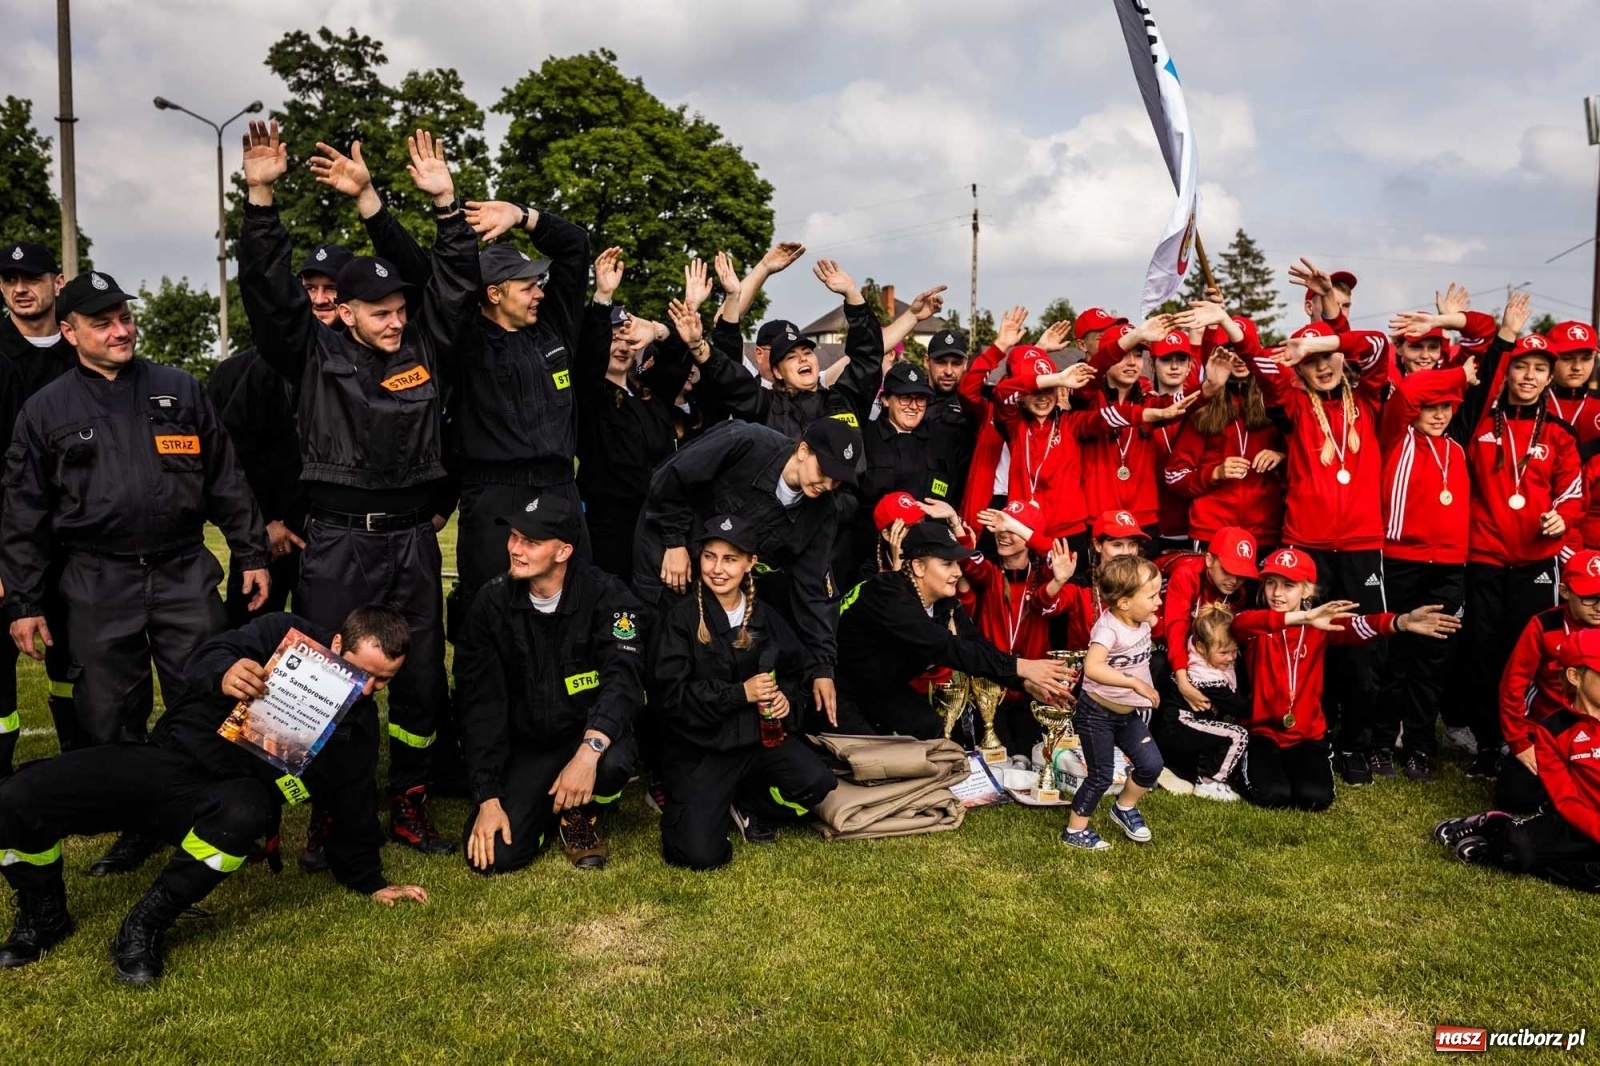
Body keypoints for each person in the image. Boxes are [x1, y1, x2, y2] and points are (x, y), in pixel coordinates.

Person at [238, 121, 476, 855]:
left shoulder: (425, 342)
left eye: (402, 310)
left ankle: (408, 797)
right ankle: (305, 811)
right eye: (381, 313)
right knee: (316, 676)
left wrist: (435, 206)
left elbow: (454, 281)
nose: (397, 322)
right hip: (338, 541)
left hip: (410, 541)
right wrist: (260, 196)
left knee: (421, 682)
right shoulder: (310, 355)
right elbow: (269, 296)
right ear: (341, 312)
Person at [0, 606, 427, 983]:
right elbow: (205, 657)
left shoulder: (359, 728)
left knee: (245, 812)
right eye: (363, 672)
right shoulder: (283, 633)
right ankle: (44, 916)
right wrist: (226, 672)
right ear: (337, 642)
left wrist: (370, 881)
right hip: (164, 763)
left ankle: (146, 924)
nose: (368, 688)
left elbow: (352, 805)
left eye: (383, 680)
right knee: (18, 796)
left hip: (225, 800)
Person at [0, 269, 267, 757]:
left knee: (208, 692)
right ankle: (134, 817)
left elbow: (227, 479)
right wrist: (25, 603)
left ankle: (206, 799)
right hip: (98, 579)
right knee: (109, 710)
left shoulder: (181, 389)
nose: (120, 331)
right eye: (102, 324)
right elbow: (23, 515)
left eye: (124, 318)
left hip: (183, 572)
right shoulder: (44, 410)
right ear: (69, 332)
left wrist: (252, 554)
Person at [455, 494, 646, 873]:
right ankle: (553, 811)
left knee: (611, 768)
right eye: (513, 537)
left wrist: (589, 751)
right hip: (529, 744)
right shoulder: (490, 604)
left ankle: (580, 812)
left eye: (531, 542)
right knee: (495, 857)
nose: (515, 549)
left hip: (592, 736)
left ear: (563, 552)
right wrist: (488, 796)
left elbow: (624, 680)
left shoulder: (608, 597)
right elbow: (479, 705)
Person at [1240, 318, 1394, 785]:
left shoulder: (1366, 399)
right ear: (1298, 370)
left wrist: (1328, 341)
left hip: (1363, 546)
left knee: (1364, 649)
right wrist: (1233, 325)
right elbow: (1262, 367)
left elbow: (1379, 347)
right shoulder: (1295, 405)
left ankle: (1356, 744)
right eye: (1310, 361)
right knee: (1307, 646)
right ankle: (1316, 735)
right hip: (1306, 546)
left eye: (1328, 356)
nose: (1322, 367)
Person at [633, 416, 863, 727]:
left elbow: (813, 588)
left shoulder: (823, 511)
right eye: (823, 472)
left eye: (837, 481)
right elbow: (669, 477)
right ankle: (646, 737)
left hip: (722, 577)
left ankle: (699, 740)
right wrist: (674, 543)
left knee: (706, 654)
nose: (827, 486)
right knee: (661, 643)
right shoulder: (745, 442)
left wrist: (823, 666)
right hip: (671, 548)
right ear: (803, 450)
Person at [654, 515, 838, 868]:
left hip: (758, 741)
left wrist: (786, 698)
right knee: (700, 855)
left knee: (818, 783)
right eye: (710, 556)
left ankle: (746, 802)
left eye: (730, 559)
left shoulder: (765, 616)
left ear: (751, 563)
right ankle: (711, 802)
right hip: (703, 748)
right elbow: (671, 699)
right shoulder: (680, 618)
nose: (717, 569)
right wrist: (741, 694)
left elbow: (795, 671)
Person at [1454, 304, 1583, 781]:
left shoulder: (1559, 435)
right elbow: (1483, 383)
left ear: (1550, 377)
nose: (1528, 376)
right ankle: (1489, 744)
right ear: (1508, 374)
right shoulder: (1481, 425)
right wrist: (1505, 336)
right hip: (1483, 559)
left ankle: (1526, 738)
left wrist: (1561, 517)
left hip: (1537, 564)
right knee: (1483, 651)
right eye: (1521, 367)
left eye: (1539, 369)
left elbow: (1572, 491)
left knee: (1528, 657)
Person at [1230, 548, 1459, 811]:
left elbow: (1361, 626)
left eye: (1288, 585)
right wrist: (1305, 617)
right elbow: (1241, 625)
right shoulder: (1256, 623)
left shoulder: (1320, 628)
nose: (1277, 593)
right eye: (1270, 583)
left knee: (1315, 798)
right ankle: (1251, 765)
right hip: (1262, 732)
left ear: (1307, 591)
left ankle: (1296, 765)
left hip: (1306, 735)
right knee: (1273, 795)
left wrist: (1401, 622)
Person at [208, 242, 352, 629]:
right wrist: (263, 524)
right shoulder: (241, 371)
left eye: (331, 287)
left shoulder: (368, 364)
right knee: (249, 634)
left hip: (337, 533)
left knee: (331, 641)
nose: (320, 299)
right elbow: (227, 458)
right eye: (310, 287)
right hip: (265, 537)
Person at [832, 520, 1074, 737]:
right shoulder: (888, 594)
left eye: (958, 563)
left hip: (883, 688)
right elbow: (944, 647)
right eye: (947, 563)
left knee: (928, 727)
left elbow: (976, 644)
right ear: (918, 567)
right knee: (872, 757)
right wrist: (1024, 666)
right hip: (839, 689)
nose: (958, 572)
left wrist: (1025, 684)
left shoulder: (944, 602)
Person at [1435, 626, 1600, 894]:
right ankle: (1494, 826)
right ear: (1575, 676)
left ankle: (1557, 867)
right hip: (1573, 821)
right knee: (1518, 851)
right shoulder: (1552, 730)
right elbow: (1566, 799)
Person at [0, 240, 84, 762]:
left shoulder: (82, 350)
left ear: (57, 282)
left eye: (30, 277)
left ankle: (81, 757)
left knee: (74, 662)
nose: (19, 288)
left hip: (75, 540)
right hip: (6, 536)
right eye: (9, 279)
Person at [1374, 363, 1474, 782]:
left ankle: (1418, 747)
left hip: (1450, 567)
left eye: (1447, 406)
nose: (1438, 413)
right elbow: (1412, 388)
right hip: (1401, 562)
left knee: (1434, 660)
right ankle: (1380, 743)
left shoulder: (1458, 448)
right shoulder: (1395, 436)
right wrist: (1457, 375)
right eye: (1430, 406)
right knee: (1394, 657)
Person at [576, 248, 696, 578]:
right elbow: (588, 349)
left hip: (657, 520)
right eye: (614, 338)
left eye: (628, 338)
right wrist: (602, 296)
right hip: (609, 525)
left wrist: (658, 330)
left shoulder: (648, 390)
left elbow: (677, 360)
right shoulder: (588, 393)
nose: (622, 346)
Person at [698, 257, 884, 439]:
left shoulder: (844, 400)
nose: (803, 358)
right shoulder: (765, 406)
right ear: (777, 372)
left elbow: (868, 357)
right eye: (791, 356)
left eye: (807, 352)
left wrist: (852, 294)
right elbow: (729, 372)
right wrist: (733, 298)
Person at [1061, 555, 1166, 851]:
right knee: (1101, 775)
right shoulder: (1108, 630)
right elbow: (1092, 668)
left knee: (1151, 764)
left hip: (1127, 714)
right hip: (1096, 714)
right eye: (1152, 596)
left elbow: (1151, 620)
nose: (1158, 602)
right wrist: (1134, 682)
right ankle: (1075, 830)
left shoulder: (1139, 617)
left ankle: (1124, 807)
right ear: (1124, 603)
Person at [1166, 309, 1285, 550]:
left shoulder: (1275, 402)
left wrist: (1281, 457)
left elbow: (1306, 461)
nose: (1239, 357)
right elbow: (1174, 475)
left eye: (1243, 348)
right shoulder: (1203, 405)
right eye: (1230, 349)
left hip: (1265, 530)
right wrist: (1215, 473)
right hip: (1212, 530)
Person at [1494, 550, 1600, 814]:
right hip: (1550, 733)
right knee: (1514, 795)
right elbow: (1512, 686)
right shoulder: (1543, 625)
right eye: (1589, 598)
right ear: (1564, 591)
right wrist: (1519, 743)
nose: (1599, 606)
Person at [1149, 603, 1249, 801]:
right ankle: (1212, 782)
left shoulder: (1198, 653)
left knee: (1186, 774)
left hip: (1183, 725)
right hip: (1178, 727)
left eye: (1234, 651)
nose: (1231, 658)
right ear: (1202, 648)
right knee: (1236, 735)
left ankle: (1172, 770)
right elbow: (1241, 708)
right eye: (1223, 653)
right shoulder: (1205, 677)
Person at [1159, 527, 1260, 717]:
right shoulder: (1186, 574)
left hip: (1200, 647)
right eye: (1228, 570)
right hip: (1160, 642)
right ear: (1209, 560)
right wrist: (1183, 681)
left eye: (1241, 574)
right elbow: (1175, 632)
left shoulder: (1239, 593)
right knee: (1160, 665)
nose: (1234, 580)